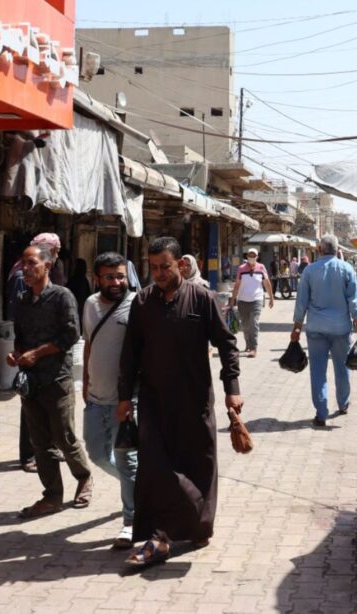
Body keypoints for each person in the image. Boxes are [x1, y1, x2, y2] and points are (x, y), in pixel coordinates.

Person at [118, 237, 243, 566]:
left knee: (199, 465)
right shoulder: (142, 302)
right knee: (156, 468)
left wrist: (232, 386)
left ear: (181, 265)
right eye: (153, 267)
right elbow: (130, 353)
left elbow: (227, 343)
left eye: (165, 267)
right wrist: (123, 397)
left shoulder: (201, 298)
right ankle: (160, 536)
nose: (158, 273)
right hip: (153, 401)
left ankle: (197, 525)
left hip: (195, 399)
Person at [8, 243, 93, 519]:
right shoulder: (21, 301)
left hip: (57, 377)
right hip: (31, 381)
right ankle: (52, 495)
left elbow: (70, 335)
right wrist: (17, 355)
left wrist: (38, 353)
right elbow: (19, 337)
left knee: (64, 436)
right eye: (24, 263)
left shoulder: (62, 296)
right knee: (40, 442)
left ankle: (84, 477)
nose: (26, 268)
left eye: (32, 263)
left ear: (47, 266)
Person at [82, 252, 138, 549]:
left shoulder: (136, 304)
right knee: (98, 454)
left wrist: (133, 396)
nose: (116, 282)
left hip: (126, 400)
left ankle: (131, 521)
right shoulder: (90, 304)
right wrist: (87, 381)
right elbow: (90, 342)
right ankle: (139, 488)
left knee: (127, 460)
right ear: (97, 278)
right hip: (95, 397)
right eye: (109, 277)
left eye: (120, 276)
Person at [291, 235, 357, 427]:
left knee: (318, 371)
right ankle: (343, 404)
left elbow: (301, 302)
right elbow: (354, 301)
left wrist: (296, 328)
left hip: (315, 328)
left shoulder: (309, 270)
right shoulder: (346, 269)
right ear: (336, 249)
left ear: (319, 249)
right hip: (341, 328)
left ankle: (321, 413)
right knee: (343, 368)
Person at [230, 248, 274, 358]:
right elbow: (237, 285)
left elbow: (267, 283)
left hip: (257, 299)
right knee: (245, 325)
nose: (251, 256)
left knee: (254, 323)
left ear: (257, 256)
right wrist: (232, 299)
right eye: (250, 254)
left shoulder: (261, 267)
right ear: (247, 256)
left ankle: (253, 348)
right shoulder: (241, 269)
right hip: (242, 300)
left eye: (253, 255)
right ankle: (248, 344)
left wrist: (271, 298)